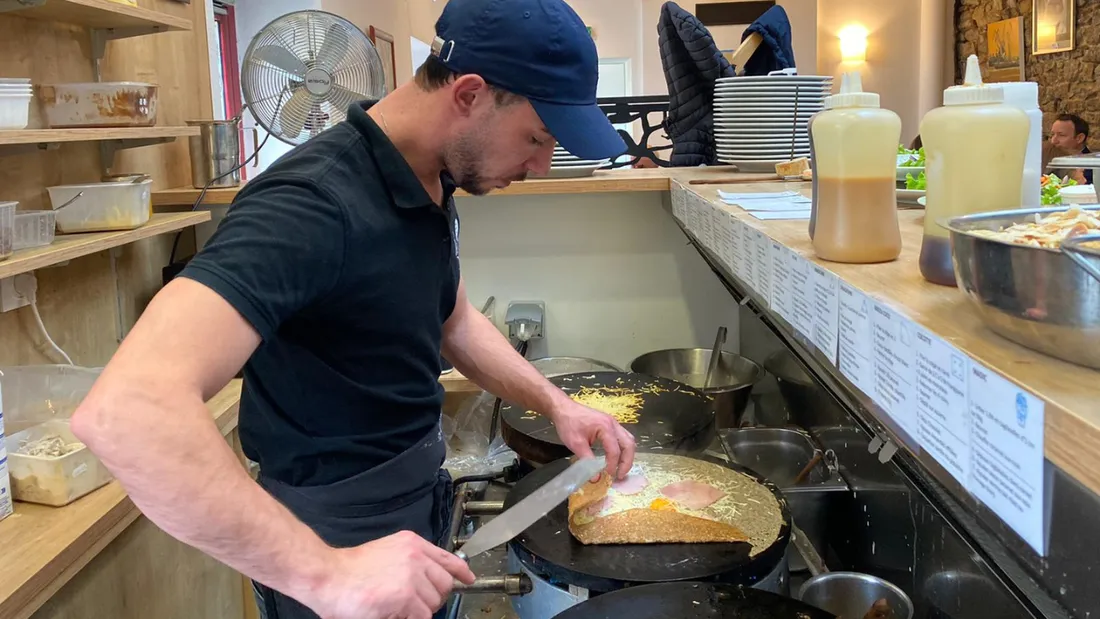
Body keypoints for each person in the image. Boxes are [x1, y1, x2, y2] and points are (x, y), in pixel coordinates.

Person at [69, 0, 636, 618]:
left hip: (416, 504)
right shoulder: (313, 204)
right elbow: (126, 412)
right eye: (536, 137)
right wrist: (327, 574)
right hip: (333, 535)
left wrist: (555, 406)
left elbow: (454, 320)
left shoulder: (431, 177)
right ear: (470, 94)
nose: (541, 165)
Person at [1048, 113, 1092, 185]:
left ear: (1079, 138)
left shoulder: (1090, 170)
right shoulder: (1050, 159)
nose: (1053, 141)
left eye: (1061, 135)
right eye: (1052, 134)